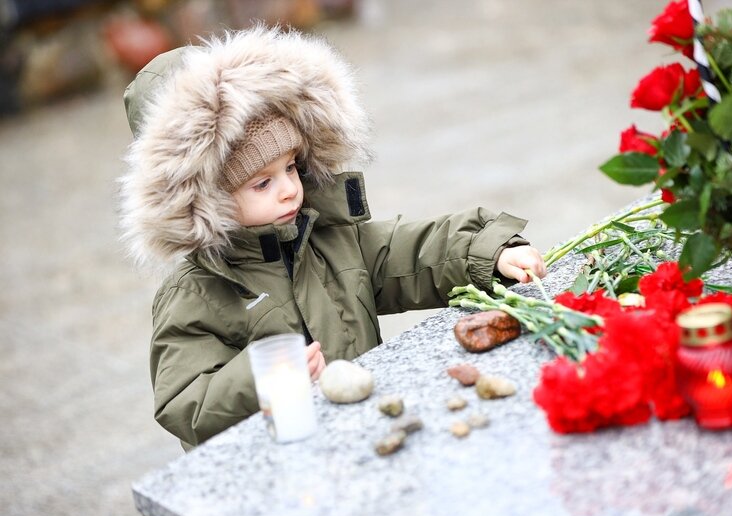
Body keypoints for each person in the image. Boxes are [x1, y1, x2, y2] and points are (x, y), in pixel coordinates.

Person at [118, 26, 546, 451]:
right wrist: (261, 379)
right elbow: (185, 401)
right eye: (261, 183)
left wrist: (487, 252)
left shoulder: (325, 237)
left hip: (365, 432)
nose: (289, 188)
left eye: (290, 168)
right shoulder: (196, 293)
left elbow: (408, 252)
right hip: (279, 470)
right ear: (206, 198)